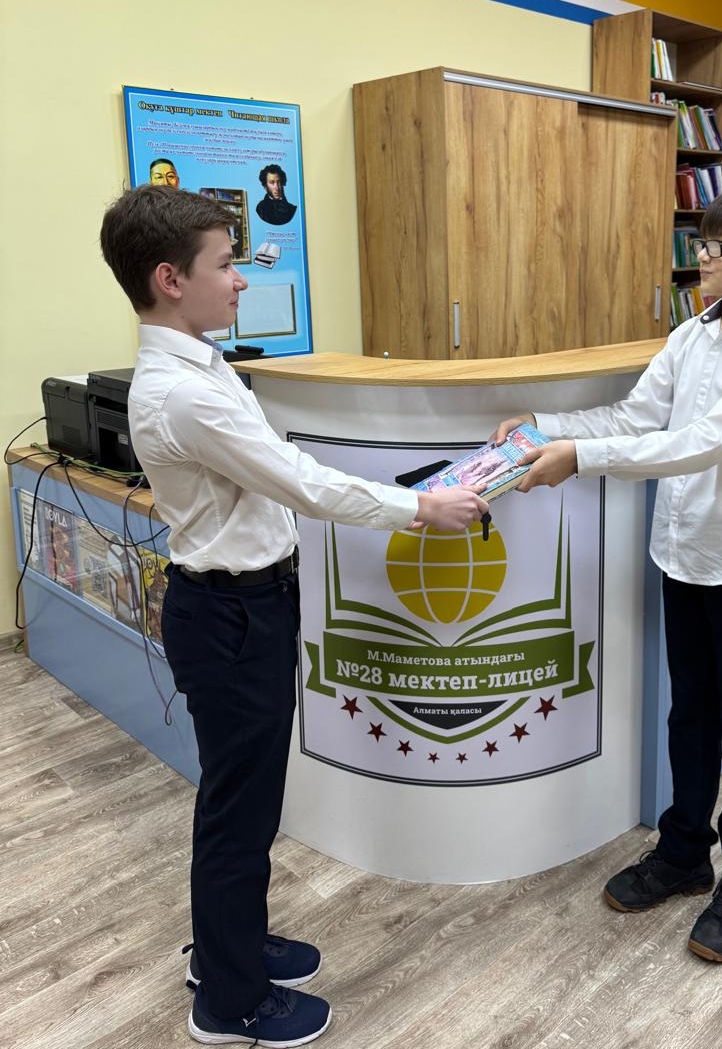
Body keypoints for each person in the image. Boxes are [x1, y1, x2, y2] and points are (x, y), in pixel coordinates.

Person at [100, 185, 487, 1047]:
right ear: (170, 279)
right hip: (231, 616)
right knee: (239, 811)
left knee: (246, 800)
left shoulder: (202, 367)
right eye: (225, 264)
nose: (241, 278)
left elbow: (274, 466)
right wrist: (421, 510)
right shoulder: (184, 394)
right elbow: (301, 484)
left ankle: (228, 947)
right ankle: (229, 1001)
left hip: (249, 606)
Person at [492, 179, 722, 964]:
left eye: (716, 246)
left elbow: (704, 442)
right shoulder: (692, 335)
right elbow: (636, 418)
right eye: (702, 242)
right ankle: (682, 854)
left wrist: (579, 459)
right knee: (689, 715)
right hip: (684, 554)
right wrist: (545, 426)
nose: (701, 257)